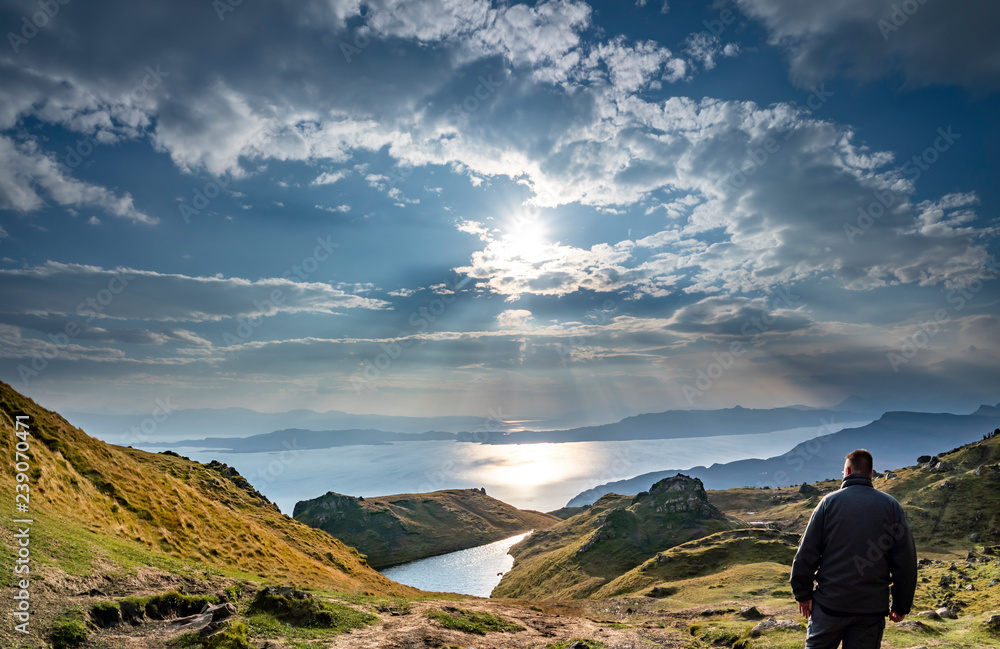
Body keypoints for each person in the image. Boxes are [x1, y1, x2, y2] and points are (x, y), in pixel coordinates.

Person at [789, 449, 917, 649]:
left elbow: (806, 553)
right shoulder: (892, 507)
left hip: (829, 605)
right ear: (871, 474)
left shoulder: (828, 504)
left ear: (847, 471)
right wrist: (901, 605)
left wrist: (803, 595)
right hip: (870, 610)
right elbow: (905, 562)